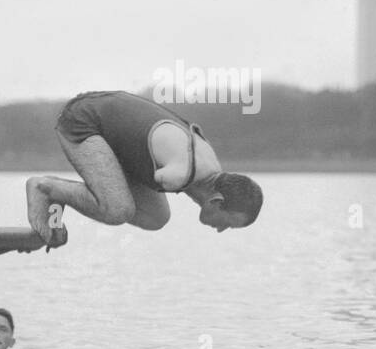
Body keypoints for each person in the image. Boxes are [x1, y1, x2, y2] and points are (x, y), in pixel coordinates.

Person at [26, 90, 263, 243]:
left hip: (113, 129)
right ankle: (45, 188)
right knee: (118, 209)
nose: (221, 230)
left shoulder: (211, 170)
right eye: (227, 223)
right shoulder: (181, 174)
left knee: (156, 218)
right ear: (217, 201)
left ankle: (59, 196)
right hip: (85, 120)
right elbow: (168, 176)